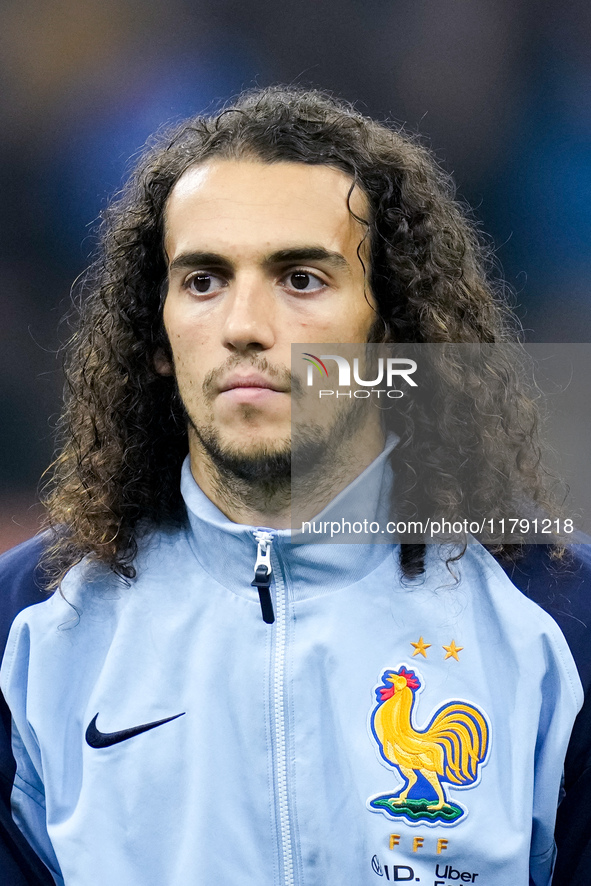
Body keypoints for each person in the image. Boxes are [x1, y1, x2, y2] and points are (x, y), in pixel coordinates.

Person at [0, 86, 589, 886]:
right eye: (204, 281)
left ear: (390, 328)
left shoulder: (559, 619)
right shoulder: (28, 626)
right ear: (159, 337)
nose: (244, 324)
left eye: (301, 279)